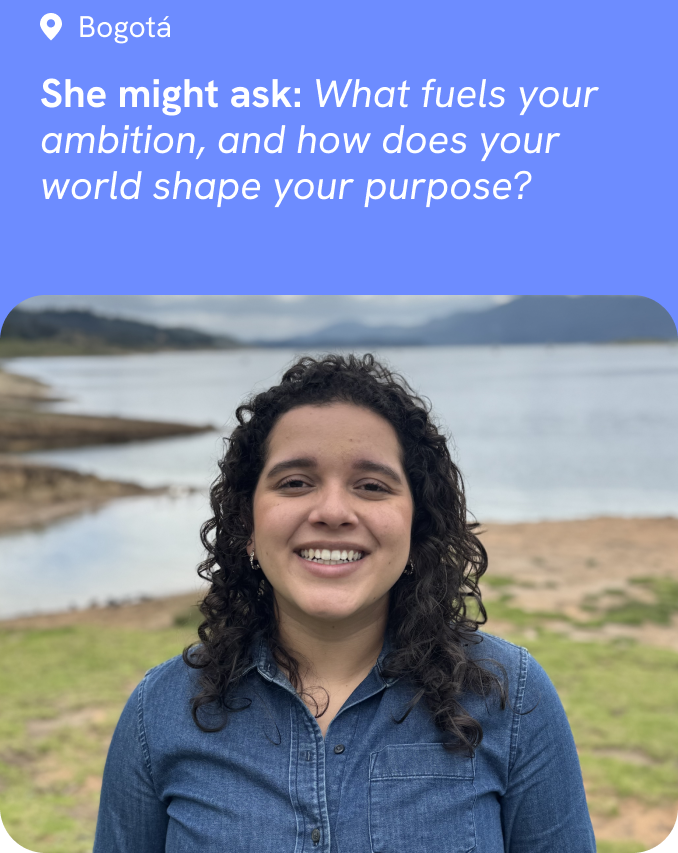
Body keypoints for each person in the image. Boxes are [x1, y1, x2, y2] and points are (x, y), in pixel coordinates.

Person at [93, 353, 596, 853]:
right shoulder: (158, 712)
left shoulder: (512, 694)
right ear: (247, 523)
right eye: (295, 482)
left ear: (416, 526)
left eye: (371, 486)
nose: (333, 511)